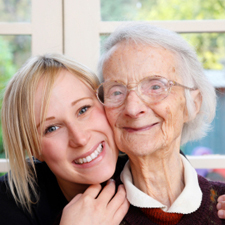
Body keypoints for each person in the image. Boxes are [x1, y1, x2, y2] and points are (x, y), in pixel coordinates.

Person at [96, 22, 225, 224]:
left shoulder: (221, 205)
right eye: (117, 91)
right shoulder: (90, 216)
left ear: (193, 103)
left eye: (156, 86)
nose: (132, 108)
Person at [0, 54, 129, 225]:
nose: (80, 138)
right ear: (33, 149)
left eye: (83, 109)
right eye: (52, 128)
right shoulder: (7, 204)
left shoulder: (151, 165)